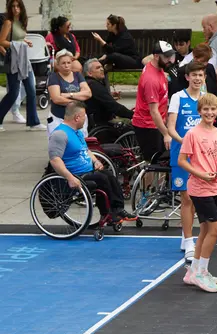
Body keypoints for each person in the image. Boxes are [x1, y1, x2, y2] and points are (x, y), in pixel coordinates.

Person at [47, 101, 136, 223]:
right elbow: (55, 160)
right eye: (84, 116)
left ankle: (117, 210)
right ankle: (110, 212)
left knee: (110, 176)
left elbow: (86, 150)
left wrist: (95, 161)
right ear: (77, 117)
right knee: (102, 179)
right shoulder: (60, 134)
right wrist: (70, 178)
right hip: (76, 175)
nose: (86, 119)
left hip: (87, 170)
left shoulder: (76, 132)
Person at [179, 93, 217, 293]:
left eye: (213, 109)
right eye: (205, 109)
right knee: (216, 230)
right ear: (199, 111)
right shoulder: (192, 134)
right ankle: (201, 273)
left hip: (216, 187)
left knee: (205, 230)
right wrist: (201, 174)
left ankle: (193, 271)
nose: (209, 112)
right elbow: (183, 160)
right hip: (200, 189)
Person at [167, 61, 207, 263]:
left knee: (196, 198)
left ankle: (186, 235)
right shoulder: (178, 97)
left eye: (201, 75)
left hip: (200, 156)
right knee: (187, 198)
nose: (198, 78)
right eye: (195, 75)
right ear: (187, 77)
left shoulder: (205, 99)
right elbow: (171, 128)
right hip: (182, 154)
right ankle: (189, 240)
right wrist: (185, 141)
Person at [0, 0, 44, 132]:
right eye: (12, 6)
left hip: (24, 59)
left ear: (21, 8)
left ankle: (33, 122)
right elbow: (1, 41)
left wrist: (25, 41)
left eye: (18, 6)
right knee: (13, 93)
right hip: (14, 60)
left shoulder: (23, 22)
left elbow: (18, 37)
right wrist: (17, 44)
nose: (15, 9)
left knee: (31, 90)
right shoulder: (8, 22)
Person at [132, 41, 174, 162]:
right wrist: (166, 134)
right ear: (156, 56)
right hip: (148, 125)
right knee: (152, 163)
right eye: (166, 57)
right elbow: (154, 112)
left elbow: (146, 59)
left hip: (156, 123)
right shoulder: (151, 80)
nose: (169, 60)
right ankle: (147, 181)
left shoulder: (155, 65)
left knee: (160, 160)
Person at [46, 50, 92, 135]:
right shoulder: (54, 77)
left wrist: (69, 95)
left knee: (80, 144)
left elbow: (88, 93)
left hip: (79, 118)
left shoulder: (78, 75)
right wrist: (78, 101)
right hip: (59, 118)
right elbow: (57, 99)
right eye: (63, 63)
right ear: (58, 65)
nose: (66, 65)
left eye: (68, 62)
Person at [83, 59, 134, 127]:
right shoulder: (94, 85)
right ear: (89, 73)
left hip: (96, 119)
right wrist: (133, 115)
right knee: (128, 124)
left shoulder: (89, 83)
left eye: (101, 67)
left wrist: (109, 96)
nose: (102, 69)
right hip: (100, 122)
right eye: (98, 68)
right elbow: (114, 106)